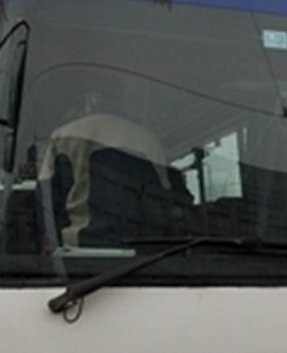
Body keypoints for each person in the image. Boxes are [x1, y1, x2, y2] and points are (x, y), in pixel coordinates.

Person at [39, 84, 191, 246]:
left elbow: (45, 203)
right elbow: (165, 202)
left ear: (90, 98)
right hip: (142, 256)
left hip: (77, 256)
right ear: (120, 99)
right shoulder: (148, 141)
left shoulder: (63, 137)